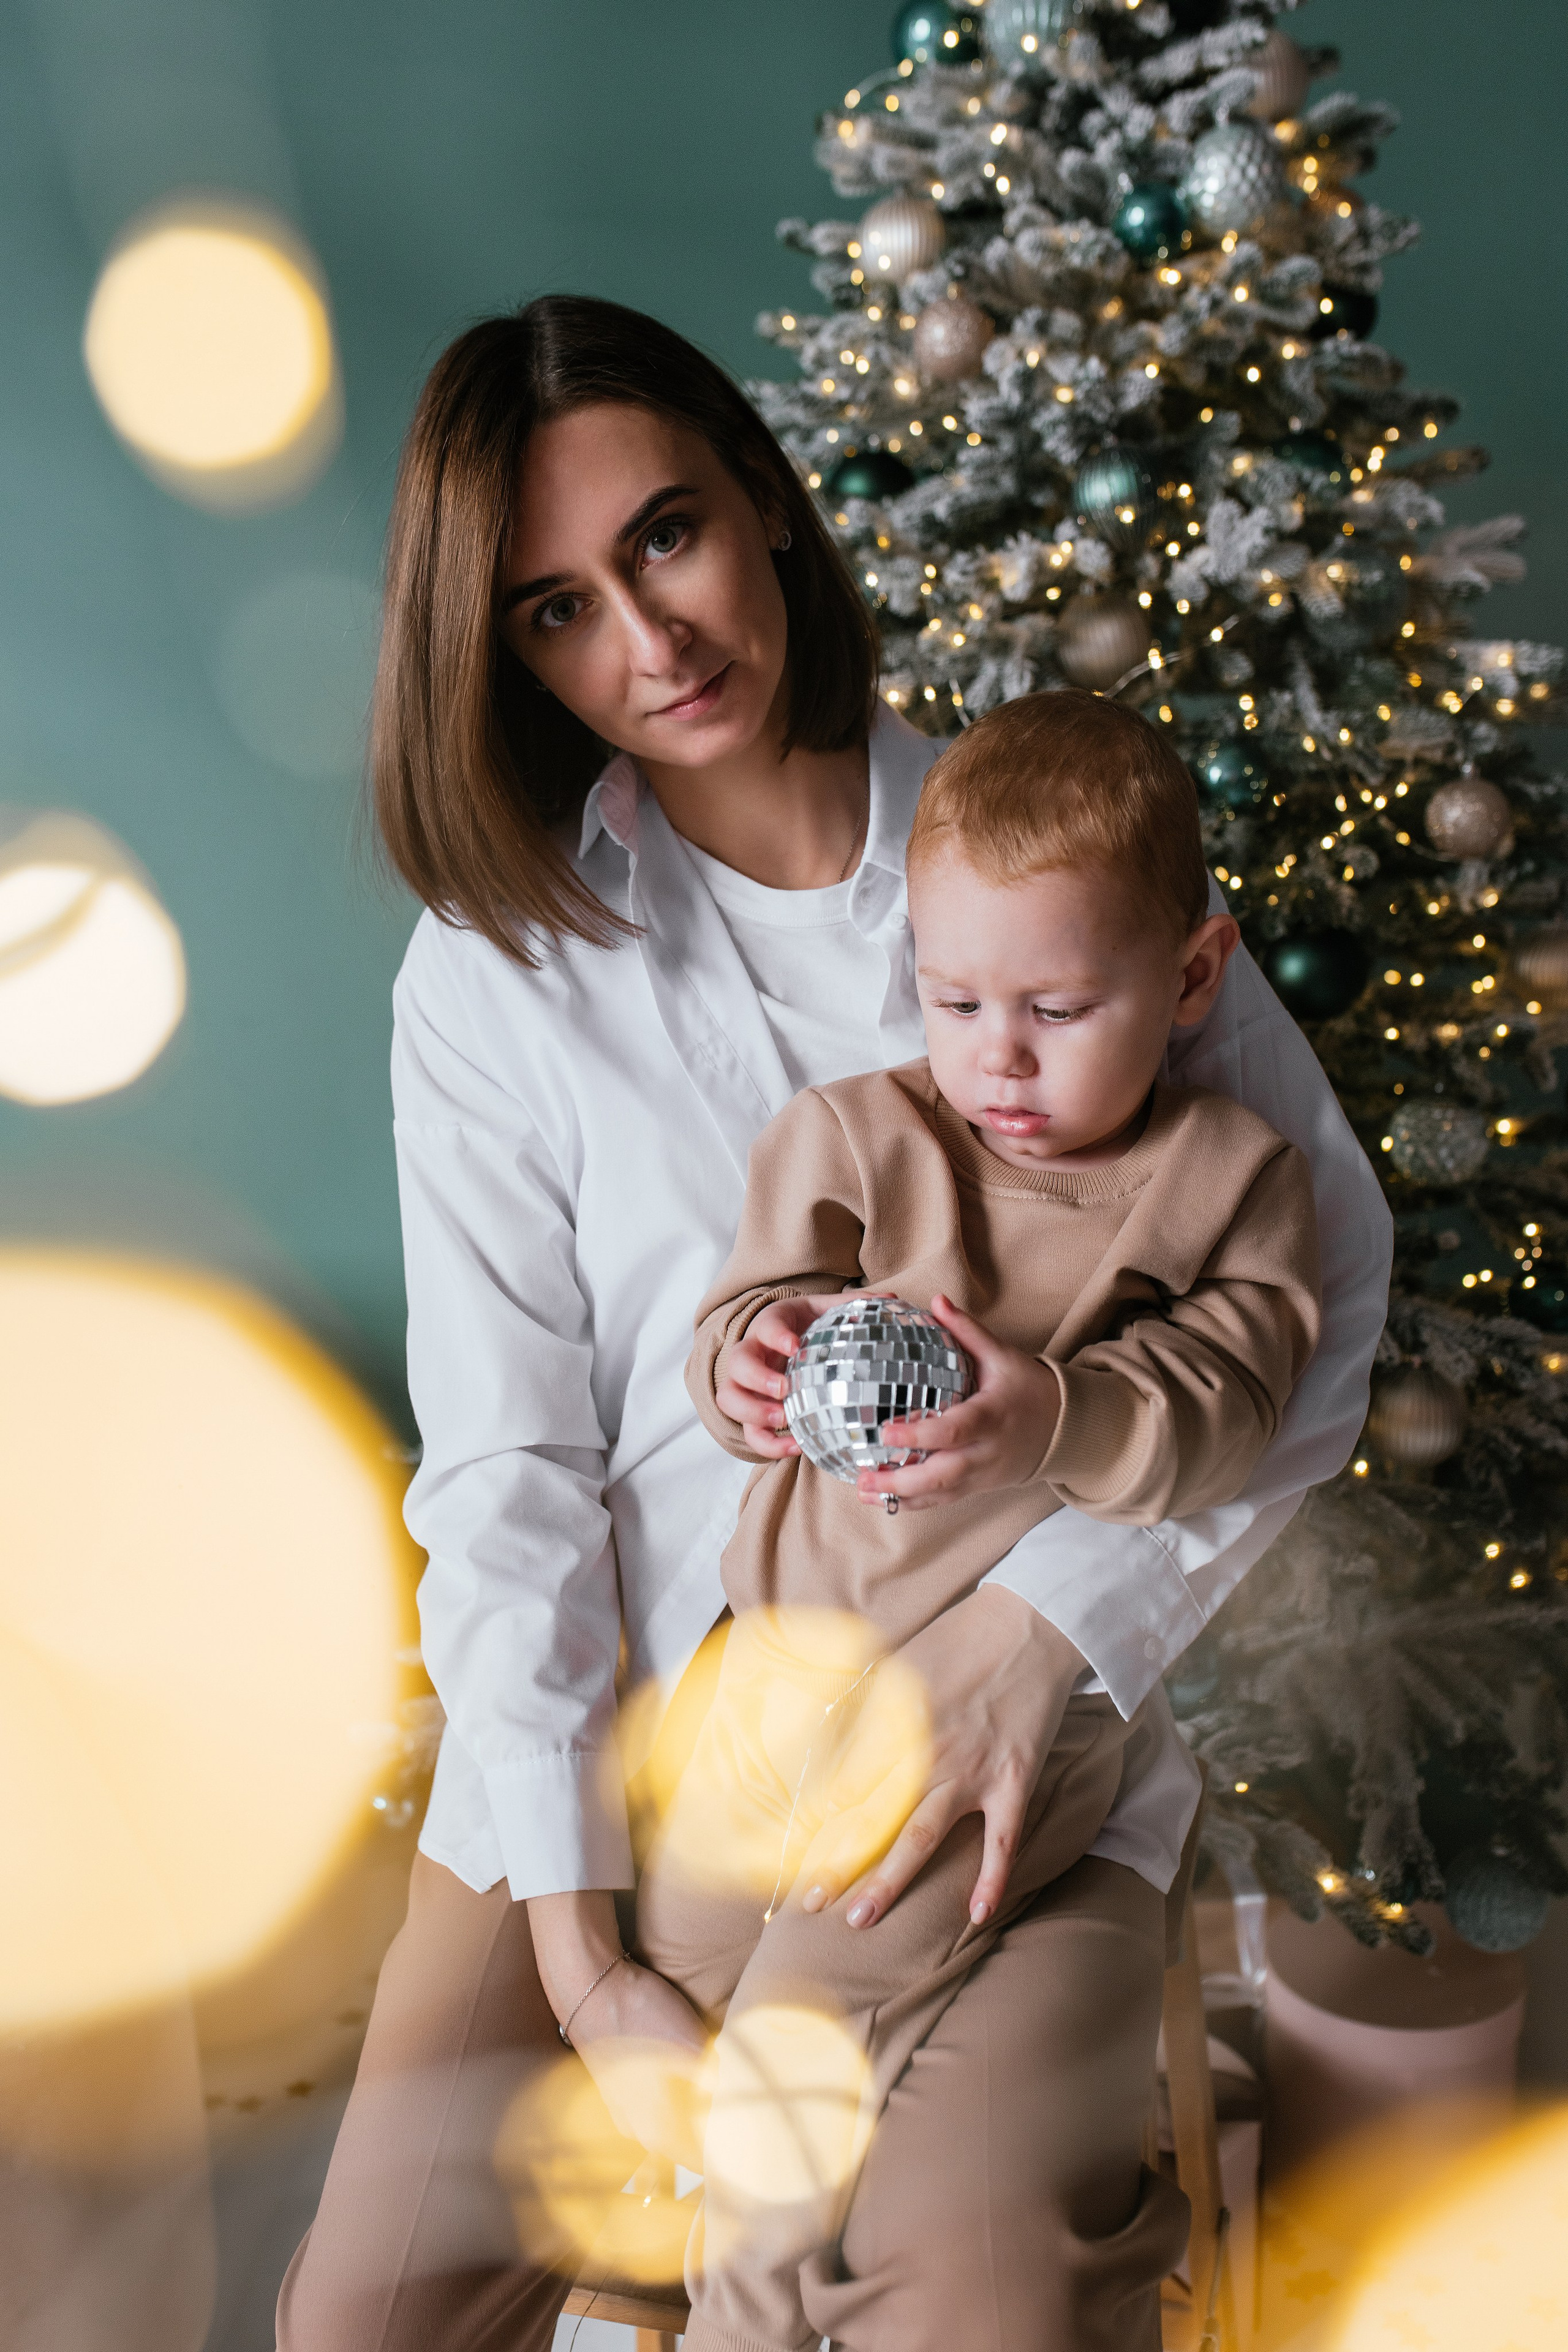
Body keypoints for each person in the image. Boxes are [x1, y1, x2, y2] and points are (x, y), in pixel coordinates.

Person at [276, 293, 1392, 2352]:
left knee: (958, 2292)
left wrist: (1042, 1634)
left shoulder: (1035, 869)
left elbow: (1315, 1293)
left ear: (769, 510)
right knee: (359, 2324)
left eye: (669, 537)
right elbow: (513, 1471)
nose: (650, 641)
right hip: (620, 1764)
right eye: (555, 611)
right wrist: (584, 1951)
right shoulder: (495, 974)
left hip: (1004, 1769)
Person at [639, 689, 1322, 2350]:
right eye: (955, 999)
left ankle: (746, 2318)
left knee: (802, 2045)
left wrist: (1054, 1414)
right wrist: (754, 1359)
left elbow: (1235, 1406)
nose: (998, 1056)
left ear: (1191, 979)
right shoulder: (863, 1139)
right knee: (689, 1954)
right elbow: (743, 1316)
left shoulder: (1222, 1181)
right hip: (775, 1685)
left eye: (1059, 1006)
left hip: (993, 1731)